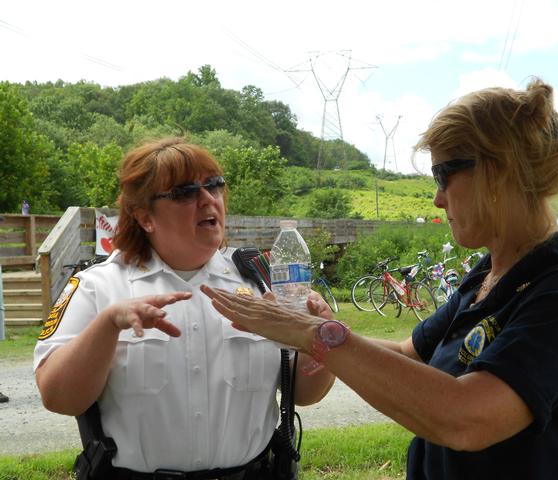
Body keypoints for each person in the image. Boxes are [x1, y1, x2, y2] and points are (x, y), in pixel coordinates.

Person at [202, 79, 558, 479]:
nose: (437, 198)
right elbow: (409, 353)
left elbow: (466, 418)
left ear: (499, 172)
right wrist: (324, 329)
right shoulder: (488, 274)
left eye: (443, 175)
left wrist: (317, 335)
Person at [34, 138, 335, 479]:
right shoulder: (98, 286)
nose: (207, 198)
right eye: (184, 192)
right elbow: (58, 398)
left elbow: (307, 393)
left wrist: (320, 338)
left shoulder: (260, 283)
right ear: (145, 216)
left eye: (214, 185)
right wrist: (107, 326)